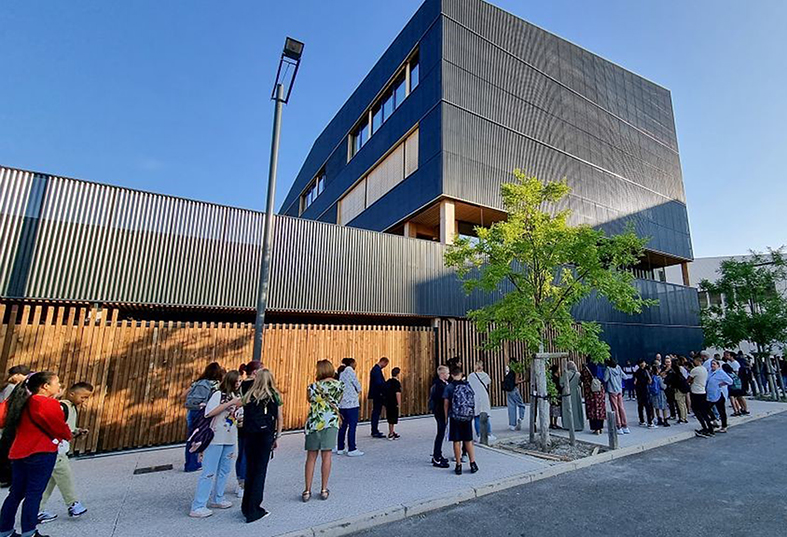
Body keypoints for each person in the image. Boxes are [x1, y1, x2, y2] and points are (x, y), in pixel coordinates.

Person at [0, 372, 72, 537]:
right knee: (34, 493)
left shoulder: (20, 402)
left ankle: (5, 530)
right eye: (57, 382)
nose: (59, 386)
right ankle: (30, 532)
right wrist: (68, 435)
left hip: (19, 452)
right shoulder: (47, 403)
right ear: (45, 386)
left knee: (16, 493)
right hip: (41, 451)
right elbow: (59, 426)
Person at [37, 382, 93, 524]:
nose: (84, 401)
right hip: (56, 449)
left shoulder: (72, 408)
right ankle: (73, 504)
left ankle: (37, 509)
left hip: (59, 448)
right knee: (64, 475)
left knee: (50, 481)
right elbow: (55, 425)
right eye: (83, 397)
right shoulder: (63, 406)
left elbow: (67, 426)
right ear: (72, 394)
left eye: (87, 398)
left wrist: (76, 431)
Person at [189, 370, 241, 518]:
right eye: (236, 381)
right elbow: (208, 412)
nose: (238, 384)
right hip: (215, 437)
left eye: (239, 382)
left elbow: (233, 415)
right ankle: (198, 505)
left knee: (225, 469)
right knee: (209, 471)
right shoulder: (218, 395)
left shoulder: (234, 397)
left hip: (230, 437)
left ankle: (218, 498)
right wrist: (230, 403)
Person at [240, 369, 282, 523]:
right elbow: (279, 417)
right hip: (265, 436)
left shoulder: (249, 395)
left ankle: (246, 506)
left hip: (250, 435)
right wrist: (277, 435)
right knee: (260, 472)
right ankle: (254, 509)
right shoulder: (273, 396)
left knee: (250, 471)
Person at [303, 360, 343, 502]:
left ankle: (307, 490)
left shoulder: (312, 387)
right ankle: (324, 489)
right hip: (330, 422)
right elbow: (339, 400)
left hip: (314, 422)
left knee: (311, 457)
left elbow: (310, 400)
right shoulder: (339, 385)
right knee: (327, 456)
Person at [184, 362, 223, 473]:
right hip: (203, 413)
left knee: (192, 437)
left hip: (192, 411)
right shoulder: (215, 384)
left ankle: (190, 464)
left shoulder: (197, 382)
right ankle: (200, 462)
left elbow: (183, 395)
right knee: (202, 437)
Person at [443, 367, 478, 475]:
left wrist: (446, 417)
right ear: (461, 374)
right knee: (468, 440)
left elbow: (446, 403)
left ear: (452, 375)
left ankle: (458, 465)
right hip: (467, 417)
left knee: (456, 441)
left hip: (455, 417)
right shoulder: (467, 385)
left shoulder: (450, 387)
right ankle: (472, 463)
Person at [235, 360, 262, 497]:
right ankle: (244, 483)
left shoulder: (240, 384)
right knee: (249, 453)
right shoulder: (256, 386)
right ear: (256, 372)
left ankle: (240, 480)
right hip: (251, 422)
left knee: (241, 452)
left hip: (239, 422)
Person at [337, 358, 363, 457]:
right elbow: (356, 383)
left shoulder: (341, 371)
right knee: (352, 426)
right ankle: (352, 448)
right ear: (351, 363)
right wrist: (359, 390)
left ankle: (340, 447)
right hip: (351, 403)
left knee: (343, 426)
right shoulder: (349, 370)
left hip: (342, 403)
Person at [467, 361, 494, 440]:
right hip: (484, 396)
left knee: (476, 416)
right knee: (486, 415)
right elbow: (489, 382)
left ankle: (479, 434)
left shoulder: (471, 376)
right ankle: (488, 433)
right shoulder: (485, 375)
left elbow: (469, 385)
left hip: (475, 397)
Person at [430, 366, 450, 468]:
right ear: (442, 374)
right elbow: (442, 400)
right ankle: (436, 457)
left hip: (440, 412)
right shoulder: (439, 386)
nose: (448, 375)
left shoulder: (442, 384)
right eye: (447, 373)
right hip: (440, 412)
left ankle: (438, 453)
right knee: (440, 433)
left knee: (441, 433)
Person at [689, 357, 714, 437]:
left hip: (695, 392)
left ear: (697, 361)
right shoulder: (704, 369)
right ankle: (710, 428)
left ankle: (704, 427)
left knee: (696, 410)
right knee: (704, 411)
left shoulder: (695, 370)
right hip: (703, 391)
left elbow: (689, 380)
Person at [603, 359, 629, 434]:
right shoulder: (618, 367)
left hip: (612, 390)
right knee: (621, 407)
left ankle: (618, 426)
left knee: (615, 408)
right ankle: (625, 426)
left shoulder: (608, 369)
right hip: (619, 389)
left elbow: (605, 379)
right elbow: (625, 377)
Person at [707, 360, 733, 434]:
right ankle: (714, 419)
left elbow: (730, 381)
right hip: (710, 394)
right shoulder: (710, 372)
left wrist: (722, 384)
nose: (712, 365)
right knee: (706, 408)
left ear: (718, 365)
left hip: (718, 394)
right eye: (711, 364)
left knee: (721, 410)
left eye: (714, 364)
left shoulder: (720, 372)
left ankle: (724, 426)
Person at [581, 365, 606, 434]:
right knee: (600, 409)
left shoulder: (586, 369)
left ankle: (595, 428)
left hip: (590, 393)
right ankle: (600, 427)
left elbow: (583, 379)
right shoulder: (599, 367)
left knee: (592, 410)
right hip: (600, 392)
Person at [368, 357, 389, 439]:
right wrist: (385, 385)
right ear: (383, 362)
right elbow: (378, 383)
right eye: (385, 364)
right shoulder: (376, 370)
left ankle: (374, 429)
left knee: (376, 411)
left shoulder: (375, 369)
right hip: (378, 394)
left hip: (376, 393)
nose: (385, 366)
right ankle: (374, 430)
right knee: (376, 412)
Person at [561, 361, 584, 432]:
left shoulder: (566, 374)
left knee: (567, 409)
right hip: (576, 393)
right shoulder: (578, 374)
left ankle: (567, 425)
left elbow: (561, 383)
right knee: (577, 409)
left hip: (567, 393)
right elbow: (581, 384)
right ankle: (578, 425)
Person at [502, 366, 526, 431]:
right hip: (514, 390)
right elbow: (516, 382)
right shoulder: (516, 371)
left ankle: (512, 425)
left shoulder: (508, 372)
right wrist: (523, 380)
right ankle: (520, 418)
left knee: (511, 407)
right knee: (521, 405)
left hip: (508, 390)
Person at [634, 359, 654, 427]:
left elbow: (635, 381)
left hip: (639, 391)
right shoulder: (646, 371)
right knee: (648, 406)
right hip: (645, 390)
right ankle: (650, 421)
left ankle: (641, 420)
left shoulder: (637, 372)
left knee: (640, 406)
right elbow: (650, 381)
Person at [385, 367, 402, 440]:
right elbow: (397, 393)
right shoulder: (397, 383)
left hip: (388, 401)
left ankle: (391, 431)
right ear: (398, 374)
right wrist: (399, 403)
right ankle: (391, 434)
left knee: (389, 417)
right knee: (393, 417)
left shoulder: (388, 381)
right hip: (394, 402)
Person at [548, 363, 562, 430]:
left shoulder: (553, 376)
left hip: (554, 394)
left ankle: (553, 423)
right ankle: (553, 423)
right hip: (556, 393)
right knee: (555, 408)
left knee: (553, 408)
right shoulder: (554, 377)